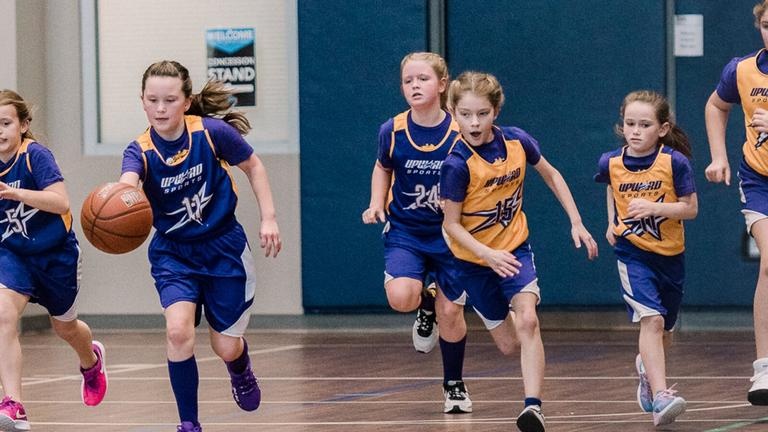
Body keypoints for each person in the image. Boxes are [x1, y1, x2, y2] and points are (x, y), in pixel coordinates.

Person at [117, 61, 281, 432]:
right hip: (174, 252)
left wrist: (268, 217)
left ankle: (239, 368)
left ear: (187, 101)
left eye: (170, 100)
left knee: (226, 346)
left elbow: (253, 166)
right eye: (152, 100)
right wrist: (122, 197)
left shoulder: (212, 133)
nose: (161, 108)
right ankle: (188, 423)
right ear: (142, 102)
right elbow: (128, 183)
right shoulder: (138, 152)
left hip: (223, 248)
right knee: (178, 331)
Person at [440, 71, 598, 432]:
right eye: (466, 114)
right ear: (453, 112)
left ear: (496, 111)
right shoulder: (456, 165)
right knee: (509, 344)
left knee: (528, 319)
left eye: (482, 113)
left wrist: (576, 221)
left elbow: (552, 174)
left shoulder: (517, 142)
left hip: (514, 249)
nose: (474, 122)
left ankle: (533, 407)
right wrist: (487, 254)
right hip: (474, 261)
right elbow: (451, 225)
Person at [361, 52, 473, 413]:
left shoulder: (461, 131)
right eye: (408, 80)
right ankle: (424, 304)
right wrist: (377, 202)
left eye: (422, 79)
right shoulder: (392, 130)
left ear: (442, 84)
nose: (414, 86)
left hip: (452, 234)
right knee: (400, 297)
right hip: (407, 229)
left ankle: (453, 385)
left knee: (452, 313)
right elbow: (383, 168)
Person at [0, 90, 108, 431]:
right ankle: (14, 405)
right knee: (3, 314)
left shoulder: (35, 156)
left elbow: (60, 203)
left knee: (65, 327)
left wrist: (14, 193)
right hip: (12, 253)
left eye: (5, 123)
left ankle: (90, 361)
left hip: (55, 254)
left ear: (23, 124)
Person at [595, 90, 697, 426]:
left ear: (663, 128)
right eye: (629, 124)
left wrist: (655, 207)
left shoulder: (674, 163)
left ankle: (646, 370)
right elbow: (611, 186)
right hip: (632, 253)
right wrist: (611, 221)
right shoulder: (610, 161)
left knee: (664, 328)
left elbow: (690, 208)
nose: (635, 131)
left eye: (644, 124)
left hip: (669, 255)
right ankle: (662, 395)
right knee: (650, 320)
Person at [704, 0, 768, 406]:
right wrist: (719, 155)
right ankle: (764, 367)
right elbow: (716, 105)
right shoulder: (742, 70)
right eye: (767, 24)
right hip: (759, 178)